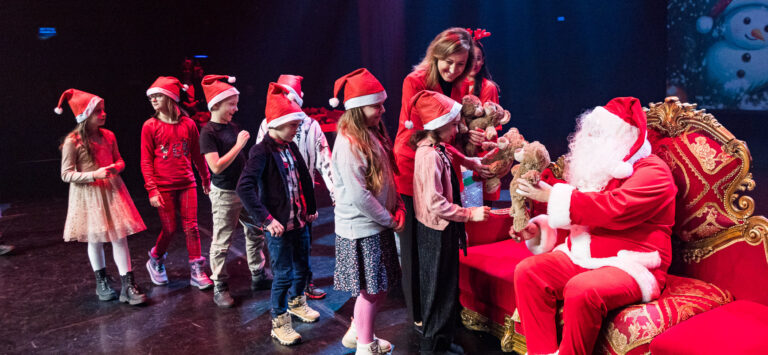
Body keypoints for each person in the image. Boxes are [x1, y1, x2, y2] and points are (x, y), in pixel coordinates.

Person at [512, 97, 677, 355]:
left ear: (624, 137)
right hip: (585, 255)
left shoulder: (654, 172)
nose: (590, 139)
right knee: (529, 272)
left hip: (632, 263)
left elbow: (615, 208)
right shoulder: (597, 171)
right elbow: (579, 218)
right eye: (589, 133)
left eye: (598, 133)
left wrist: (551, 197)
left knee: (581, 289)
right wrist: (539, 229)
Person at [392, 27, 489, 331]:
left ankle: (440, 313)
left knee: (442, 244)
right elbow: (425, 133)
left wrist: (464, 134)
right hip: (414, 168)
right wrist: (455, 134)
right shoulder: (415, 81)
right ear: (435, 56)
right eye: (448, 62)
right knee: (414, 248)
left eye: (461, 64)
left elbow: (450, 130)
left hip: (444, 166)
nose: (453, 69)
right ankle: (420, 316)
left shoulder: (461, 86)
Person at [237, 82, 320, 346]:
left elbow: (305, 177)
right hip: (279, 226)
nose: (297, 130)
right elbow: (244, 187)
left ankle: (297, 303)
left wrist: (312, 209)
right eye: (293, 125)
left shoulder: (290, 146)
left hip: (299, 222)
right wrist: (267, 219)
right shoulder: (261, 151)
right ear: (278, 124)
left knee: (303, 267)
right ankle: (279, 321)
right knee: (283, 273)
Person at [328, 69, 404, 355]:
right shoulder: (349, 144)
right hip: (363, 228)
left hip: (377, 224)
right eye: (377, 105)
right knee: (371, 290)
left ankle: (357, 333)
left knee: (376, 287)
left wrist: (397, 206)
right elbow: (360, 196)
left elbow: (385, 178)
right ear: (358, 109)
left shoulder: (372, 133)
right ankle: (364, 345)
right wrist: (389, 219)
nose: (383, 110)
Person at [410, 90, 491, 354]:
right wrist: (469, 214)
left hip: (444, 228)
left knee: (447, 285)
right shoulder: (428, 156)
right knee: (436, 288)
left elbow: (453, 154)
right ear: (439, 125)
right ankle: (432, 347)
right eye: (454, 124)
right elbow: (435, 203)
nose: (459, 128)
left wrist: (472, 162)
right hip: (435, 230)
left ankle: (442, 340)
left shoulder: (439, 147)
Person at [54, 88, 147, 305]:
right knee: (95, 239)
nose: (103, 114)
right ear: (85, 115)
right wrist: (93, 174)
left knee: (119, 237)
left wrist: (117, 167)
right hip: (88, 194)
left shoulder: (109, 136)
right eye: (97, 111)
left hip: (112, 190)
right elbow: (66, 174)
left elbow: (120, 160)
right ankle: (101, 281)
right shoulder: (73, 141)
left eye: (103, 110)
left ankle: (128, 284)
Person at [257, 74, 335, 300]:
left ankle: (303, 284)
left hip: (302, 197)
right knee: (281, 244)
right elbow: (259, 162)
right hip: (277, 199)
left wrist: (334, 192)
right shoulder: (267, 124)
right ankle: (285, 289)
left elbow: (324, 160)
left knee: (303, 242)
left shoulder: (311, 126)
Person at [198, 74, 270, 308]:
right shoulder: (208, 133)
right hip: (225, 194)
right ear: (216, 104)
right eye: (232, 104)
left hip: (244, 192)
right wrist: (239, 144)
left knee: (256, 231)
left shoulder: (231, 127)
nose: (236, 109)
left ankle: (257, 273)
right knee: (222, 241)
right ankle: (220, 285)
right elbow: (215, 166)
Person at [141, 76, 213, 290]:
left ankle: (197, 269)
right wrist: (152, 190)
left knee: (191, 227)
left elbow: (197, 154)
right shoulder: (150, 126)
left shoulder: (188, 124)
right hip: (163, 187)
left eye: (157, 96)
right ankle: (155, 258)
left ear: (170, 98)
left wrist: (205, 177)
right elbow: (145, 161)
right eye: (151, 96)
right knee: (170, 228)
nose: (153, 99)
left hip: (187, 183)